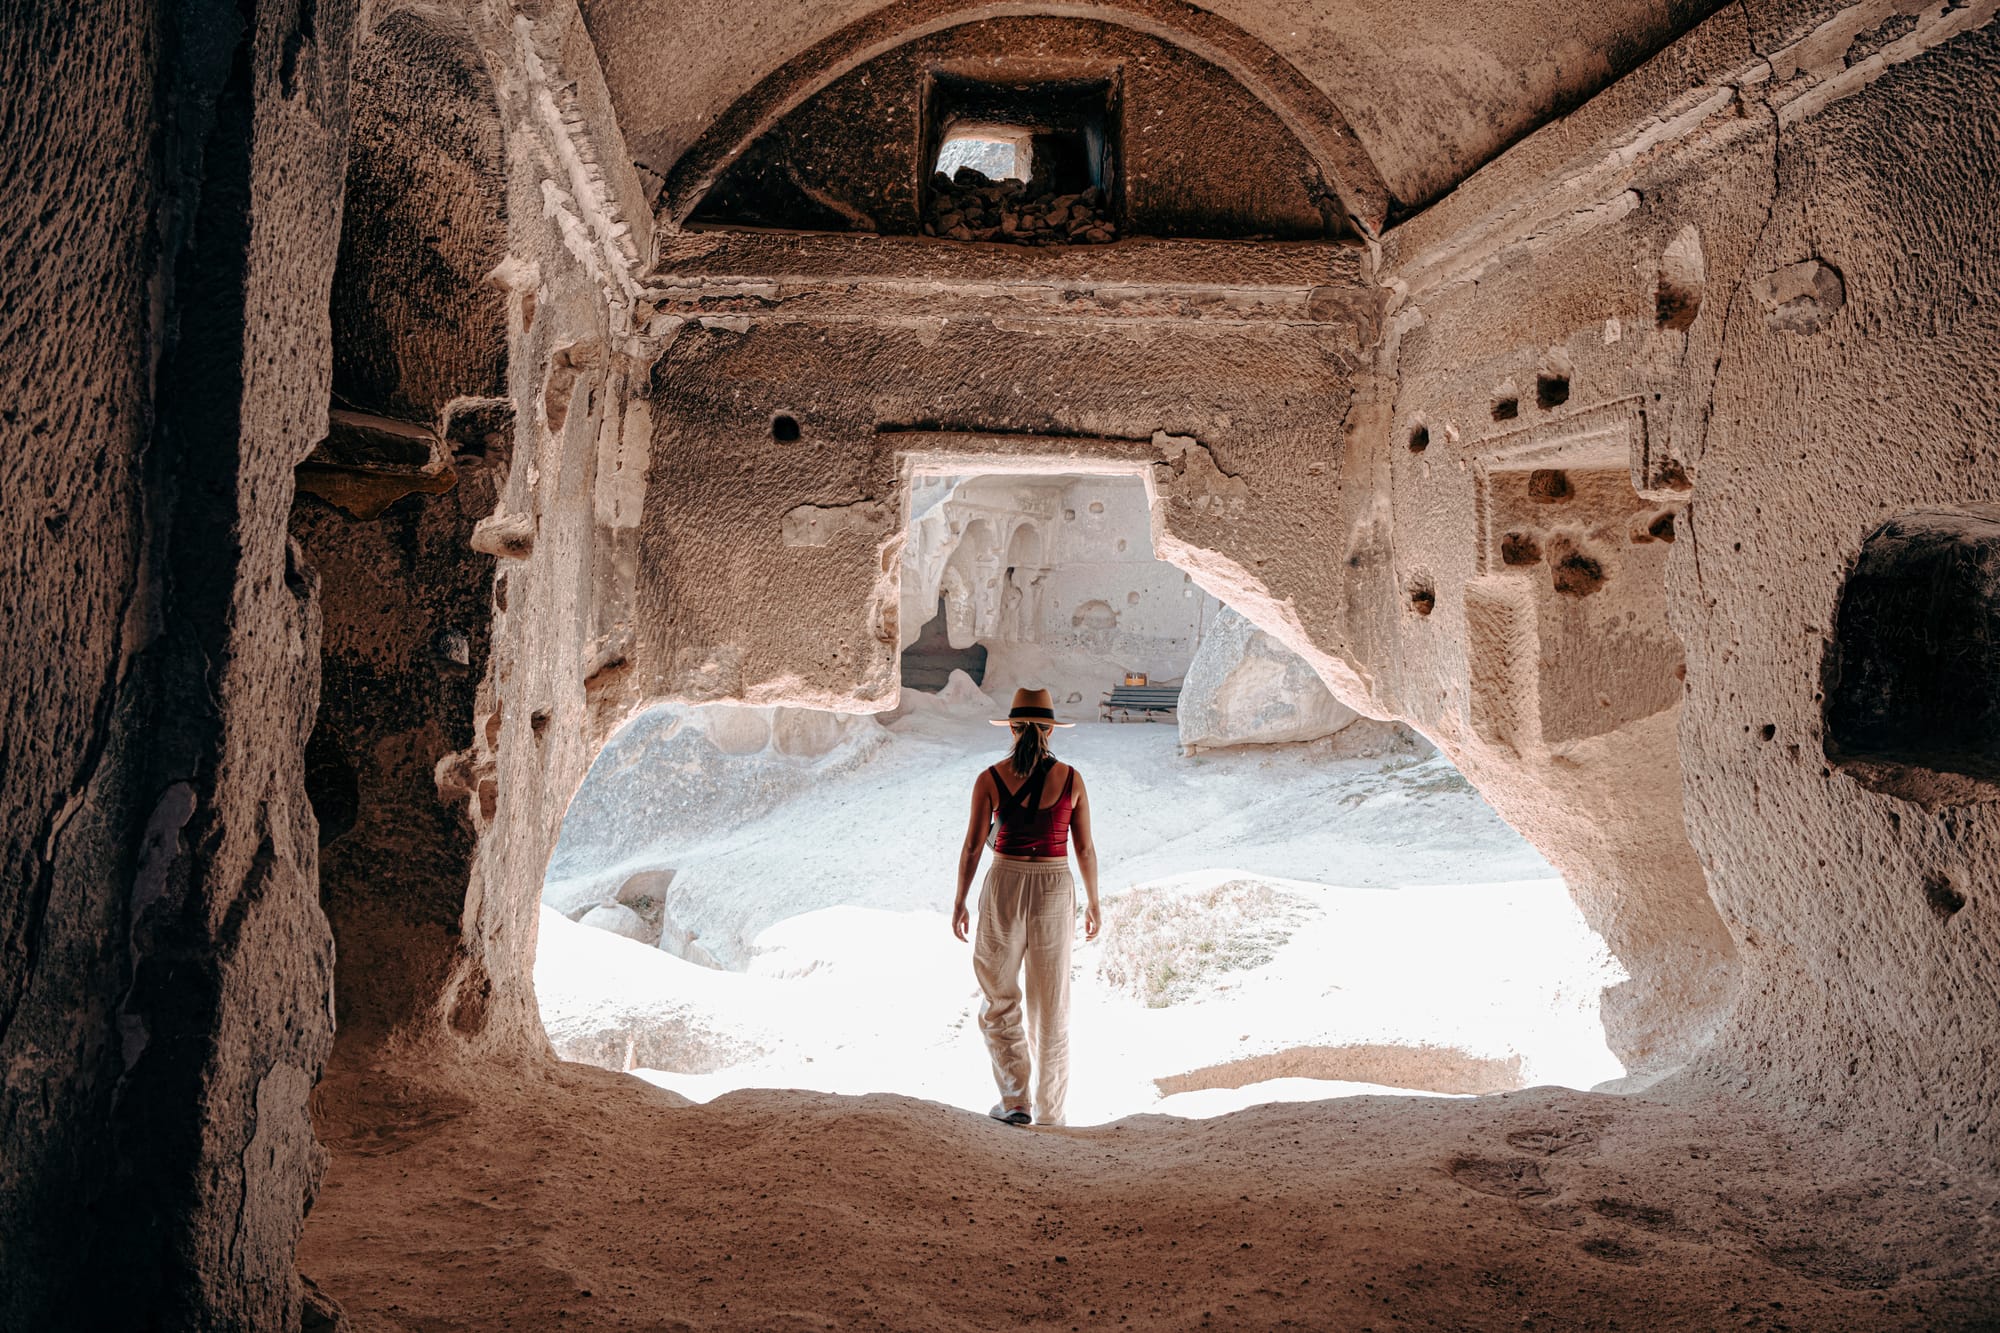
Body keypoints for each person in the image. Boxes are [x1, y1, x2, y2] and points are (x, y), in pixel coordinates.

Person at [952, 687, 1102, 1127]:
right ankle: (1051, 1113)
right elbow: (1086, 849)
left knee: (999, 994)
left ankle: (1016, 1100)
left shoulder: (990, 778)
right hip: (1055, 887)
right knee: (1051, 1001)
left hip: (1005, 882)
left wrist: (960, 900)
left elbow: (972, 847)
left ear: (1013, 729)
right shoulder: (1072, 779)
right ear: (1051, 730)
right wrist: (1093, 902)